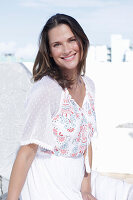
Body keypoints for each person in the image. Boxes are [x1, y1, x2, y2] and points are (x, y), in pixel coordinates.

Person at [7, 13, 97, 200]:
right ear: (48, 51)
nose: (66, 49)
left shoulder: (89, 86)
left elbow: (86, 140)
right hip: (46, 181)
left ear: (82, 41)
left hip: (75, 180)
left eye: (71, 40)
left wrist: (86, 188)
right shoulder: (46, 90)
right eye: (57, 44)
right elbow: (26, 152)